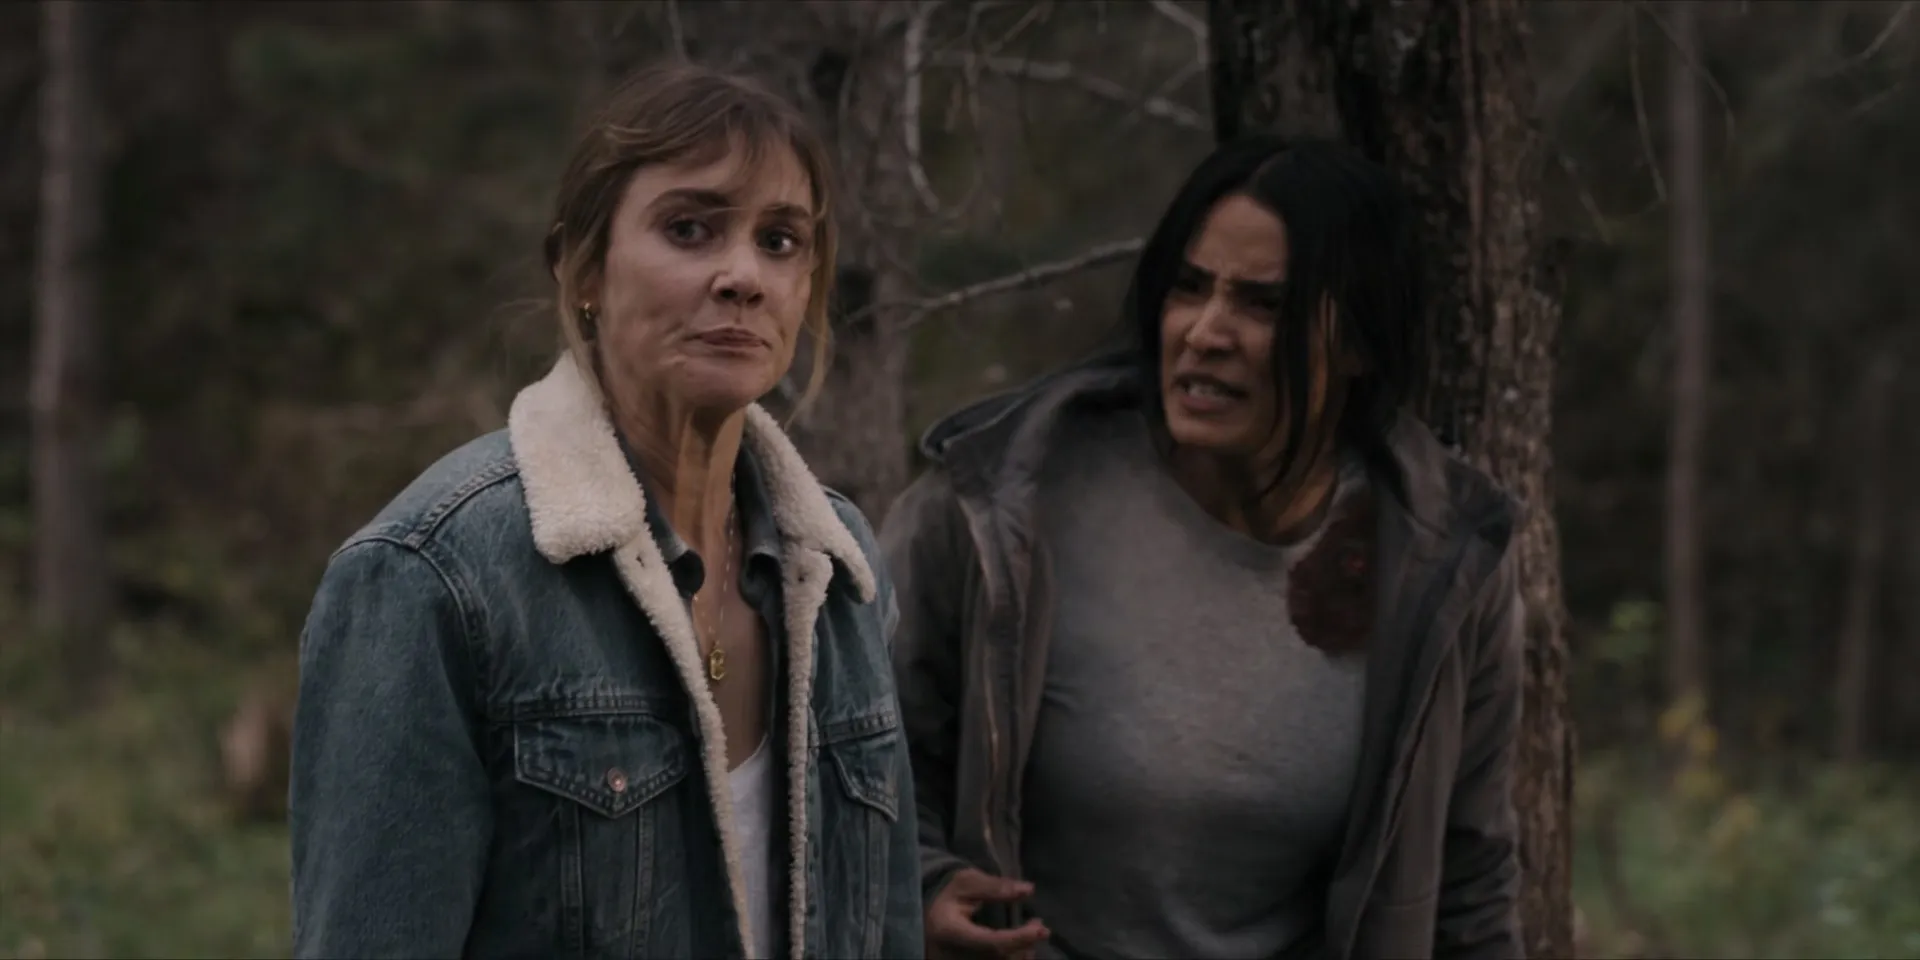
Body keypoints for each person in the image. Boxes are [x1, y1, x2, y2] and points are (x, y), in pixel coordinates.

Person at [290, 62, 922, 960]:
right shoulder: (432, 575)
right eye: (689, 228)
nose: (743, 275)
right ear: (582, 266)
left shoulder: (838, 569)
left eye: (780, 240)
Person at [884, 135, 1527, 960]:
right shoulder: (1000, 501)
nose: (1205, 333)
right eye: (1190, 289)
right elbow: (860, 753)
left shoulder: (1440, 563)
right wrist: (922, 887)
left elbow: (1469, 887)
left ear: (1359, 344)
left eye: (1264, 305)